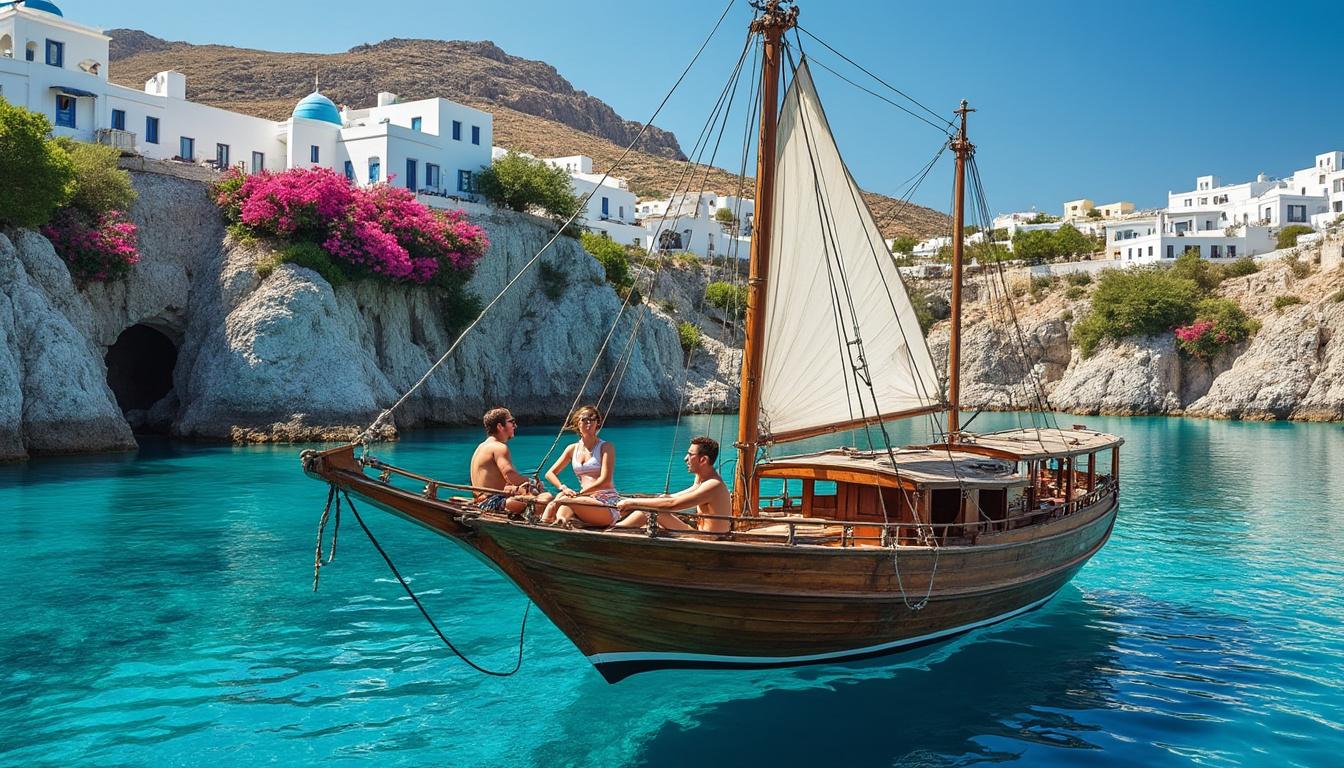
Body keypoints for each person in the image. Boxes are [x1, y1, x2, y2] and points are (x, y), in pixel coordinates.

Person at [615, 436, 732, 533]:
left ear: (703, 460)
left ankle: (612, 533)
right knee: (648, 515)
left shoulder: (713, 485)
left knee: (648, 511)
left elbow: (673, 504)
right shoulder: (702, 480)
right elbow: (673, 497)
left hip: (710, 539)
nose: (685, 458)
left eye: (690, 454)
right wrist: (661, 498)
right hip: (699, 533)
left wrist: (632, 502)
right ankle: (615, 530)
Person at [542, 405, 623, 528]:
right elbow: (550, 473)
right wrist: (563, 488)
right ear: (577, 424)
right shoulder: (572, 449)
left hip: (605, 501)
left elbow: (605, 480)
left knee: (563, 500)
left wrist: (579, 494)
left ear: (598, 423)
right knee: (562, 498)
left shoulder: (606, 447)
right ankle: (559, 522)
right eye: (584, 419)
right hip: (583, 498)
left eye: (593, 418)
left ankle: (553, 523)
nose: (589, 422)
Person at [469, 407, 552, 515]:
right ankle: (535, 522)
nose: (515, 426)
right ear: (500, 426)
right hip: (494, 503)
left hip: (481, 501)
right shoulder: (499, 447)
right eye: (511, 422)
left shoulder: (481, 447)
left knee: (530, 493)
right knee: (546, 498)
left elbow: (493, 480)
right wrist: (533, 483)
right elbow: (510, 475)